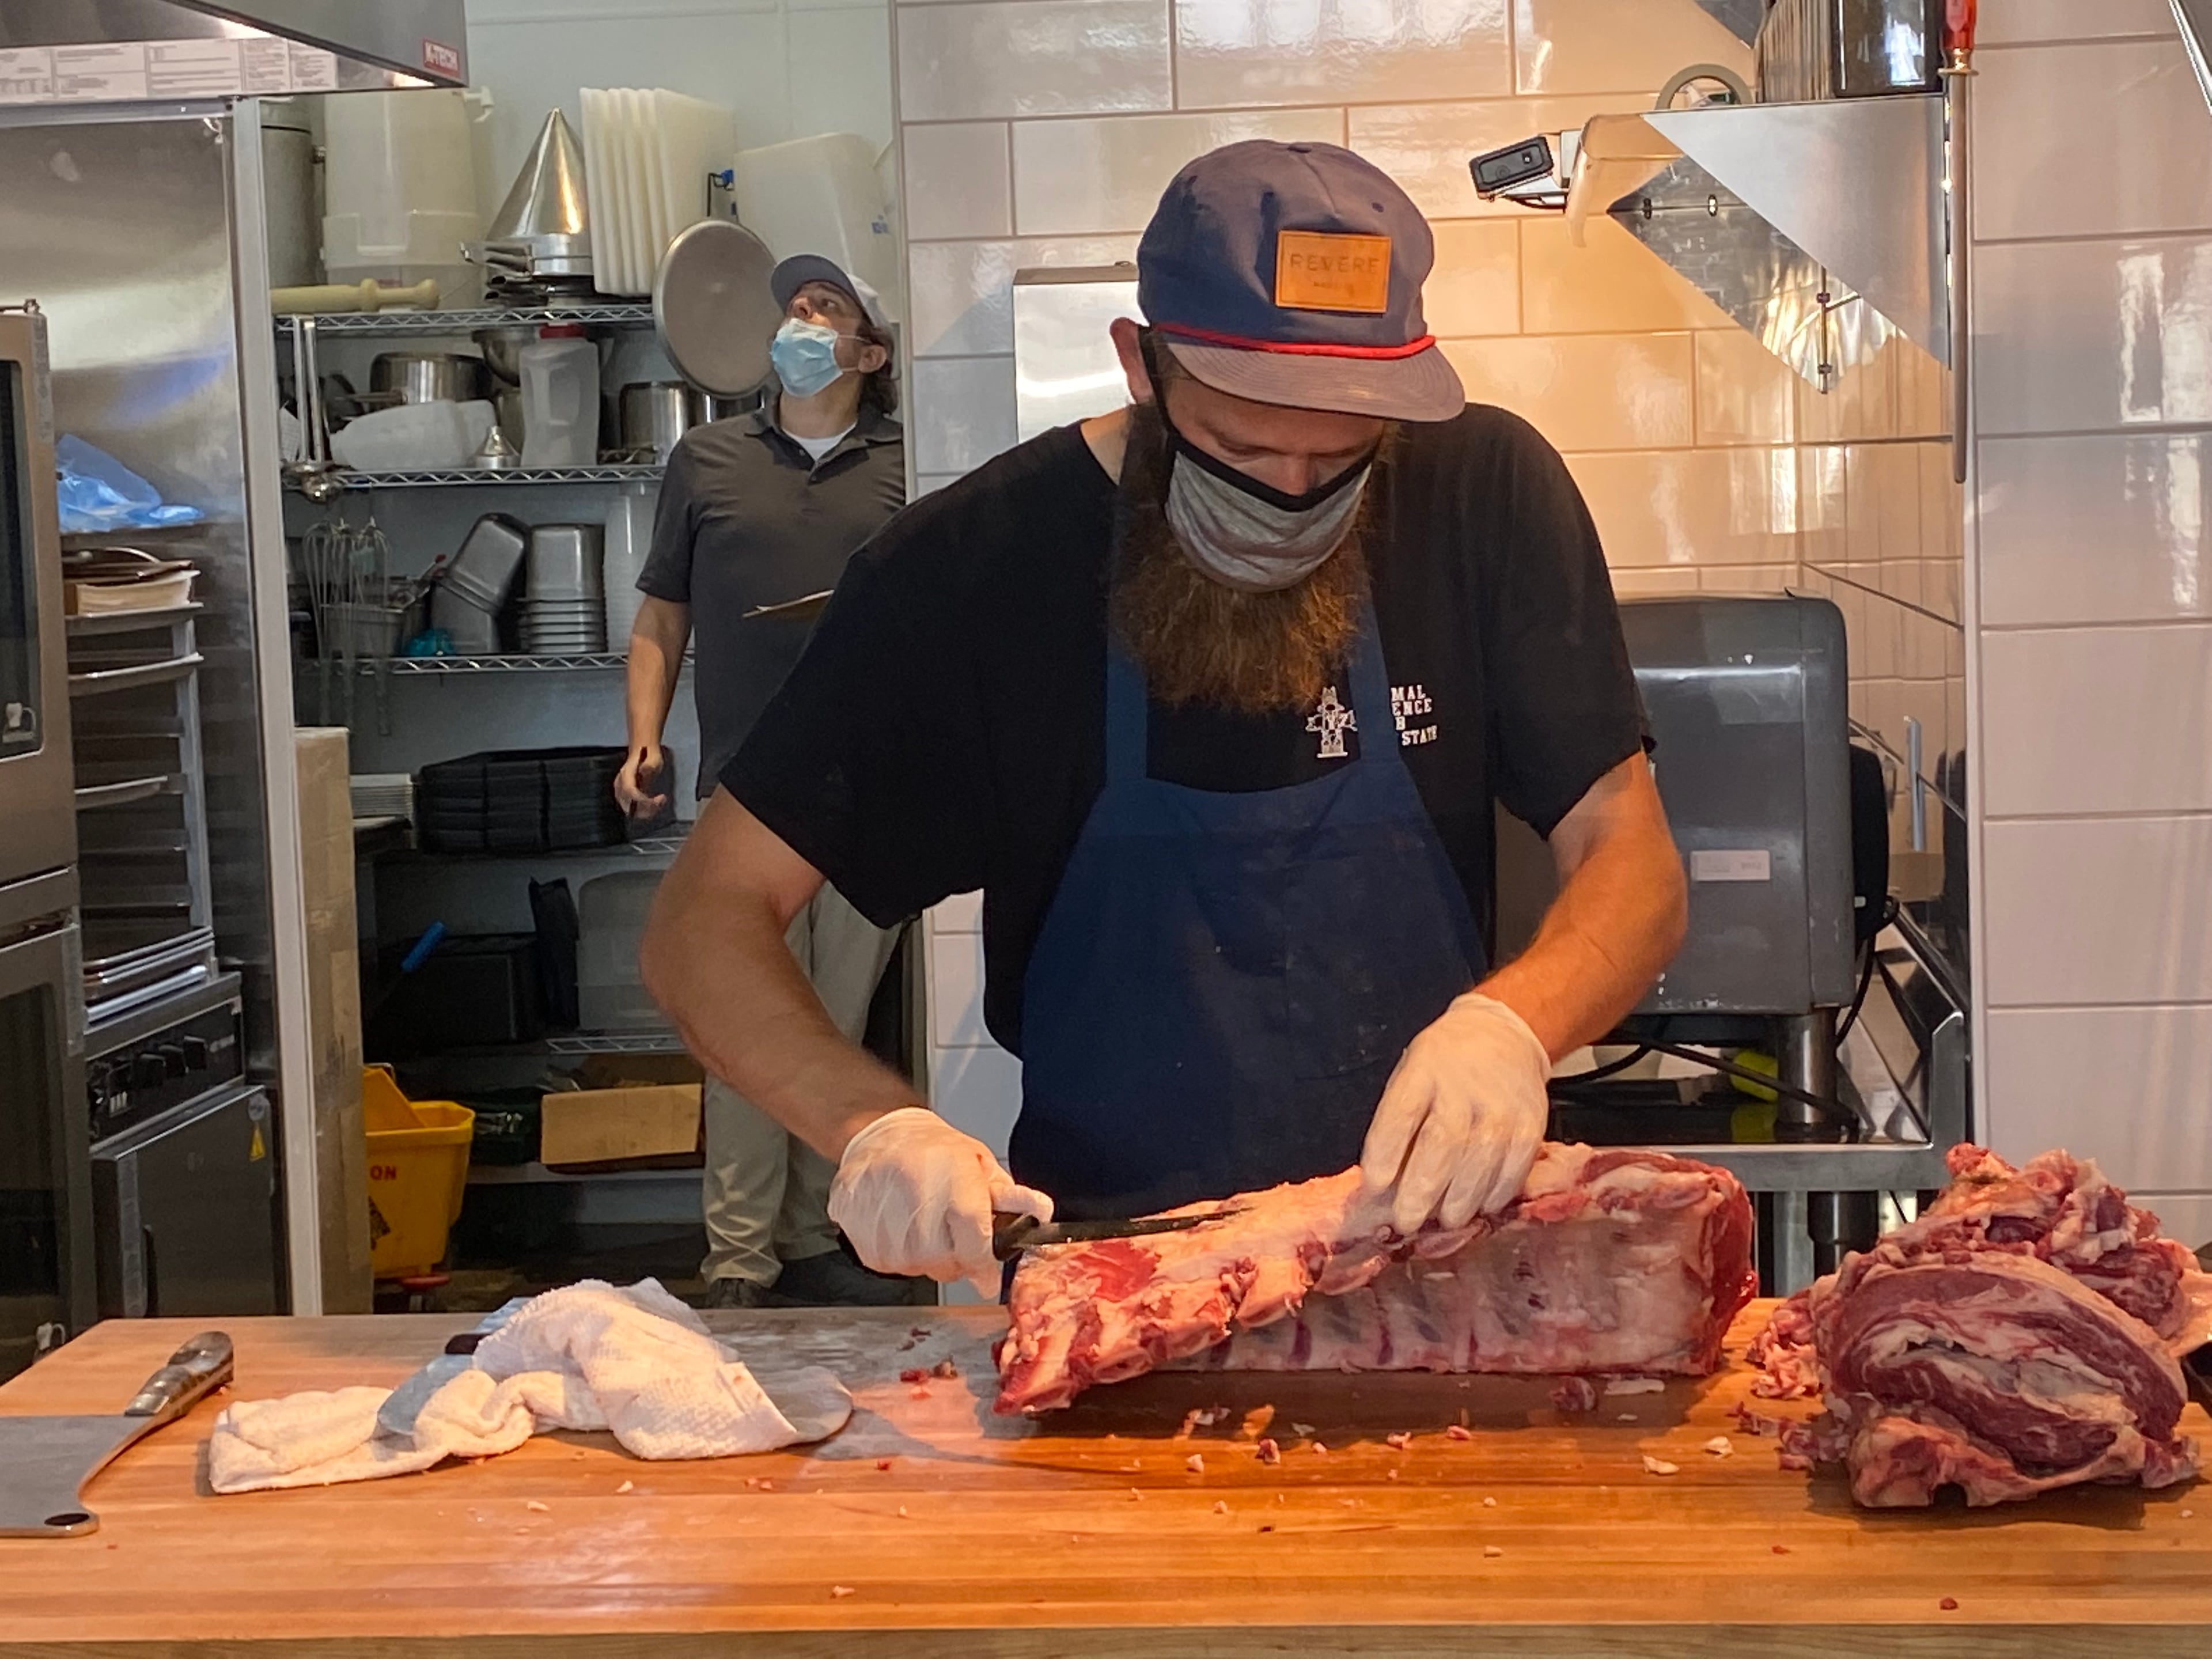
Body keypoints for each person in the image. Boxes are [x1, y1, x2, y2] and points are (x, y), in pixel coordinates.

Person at [641, 141, 1687, 1295]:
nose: (1291, 490)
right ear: (1142, 365)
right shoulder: (977, 572)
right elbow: (707, 918)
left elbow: (1628, 853)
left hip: (1441, 1266)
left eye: (1341, 456)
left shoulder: (1481, 494)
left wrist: (1513, 1027)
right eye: (1241, 446)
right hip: (1122, 1288)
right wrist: (871, 1124)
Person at [616, 252, 912, 1308]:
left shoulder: (908, 465)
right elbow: (661, 619)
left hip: (877, 789)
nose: (801, 316)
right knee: (748, 1025)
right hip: (744, 790)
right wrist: (643, 736)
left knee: (827, 1024)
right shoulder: (708, 458)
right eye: (796, 303)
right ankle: (738, 1259)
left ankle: (807, 1234)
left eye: (829, 306)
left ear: (869, 354)